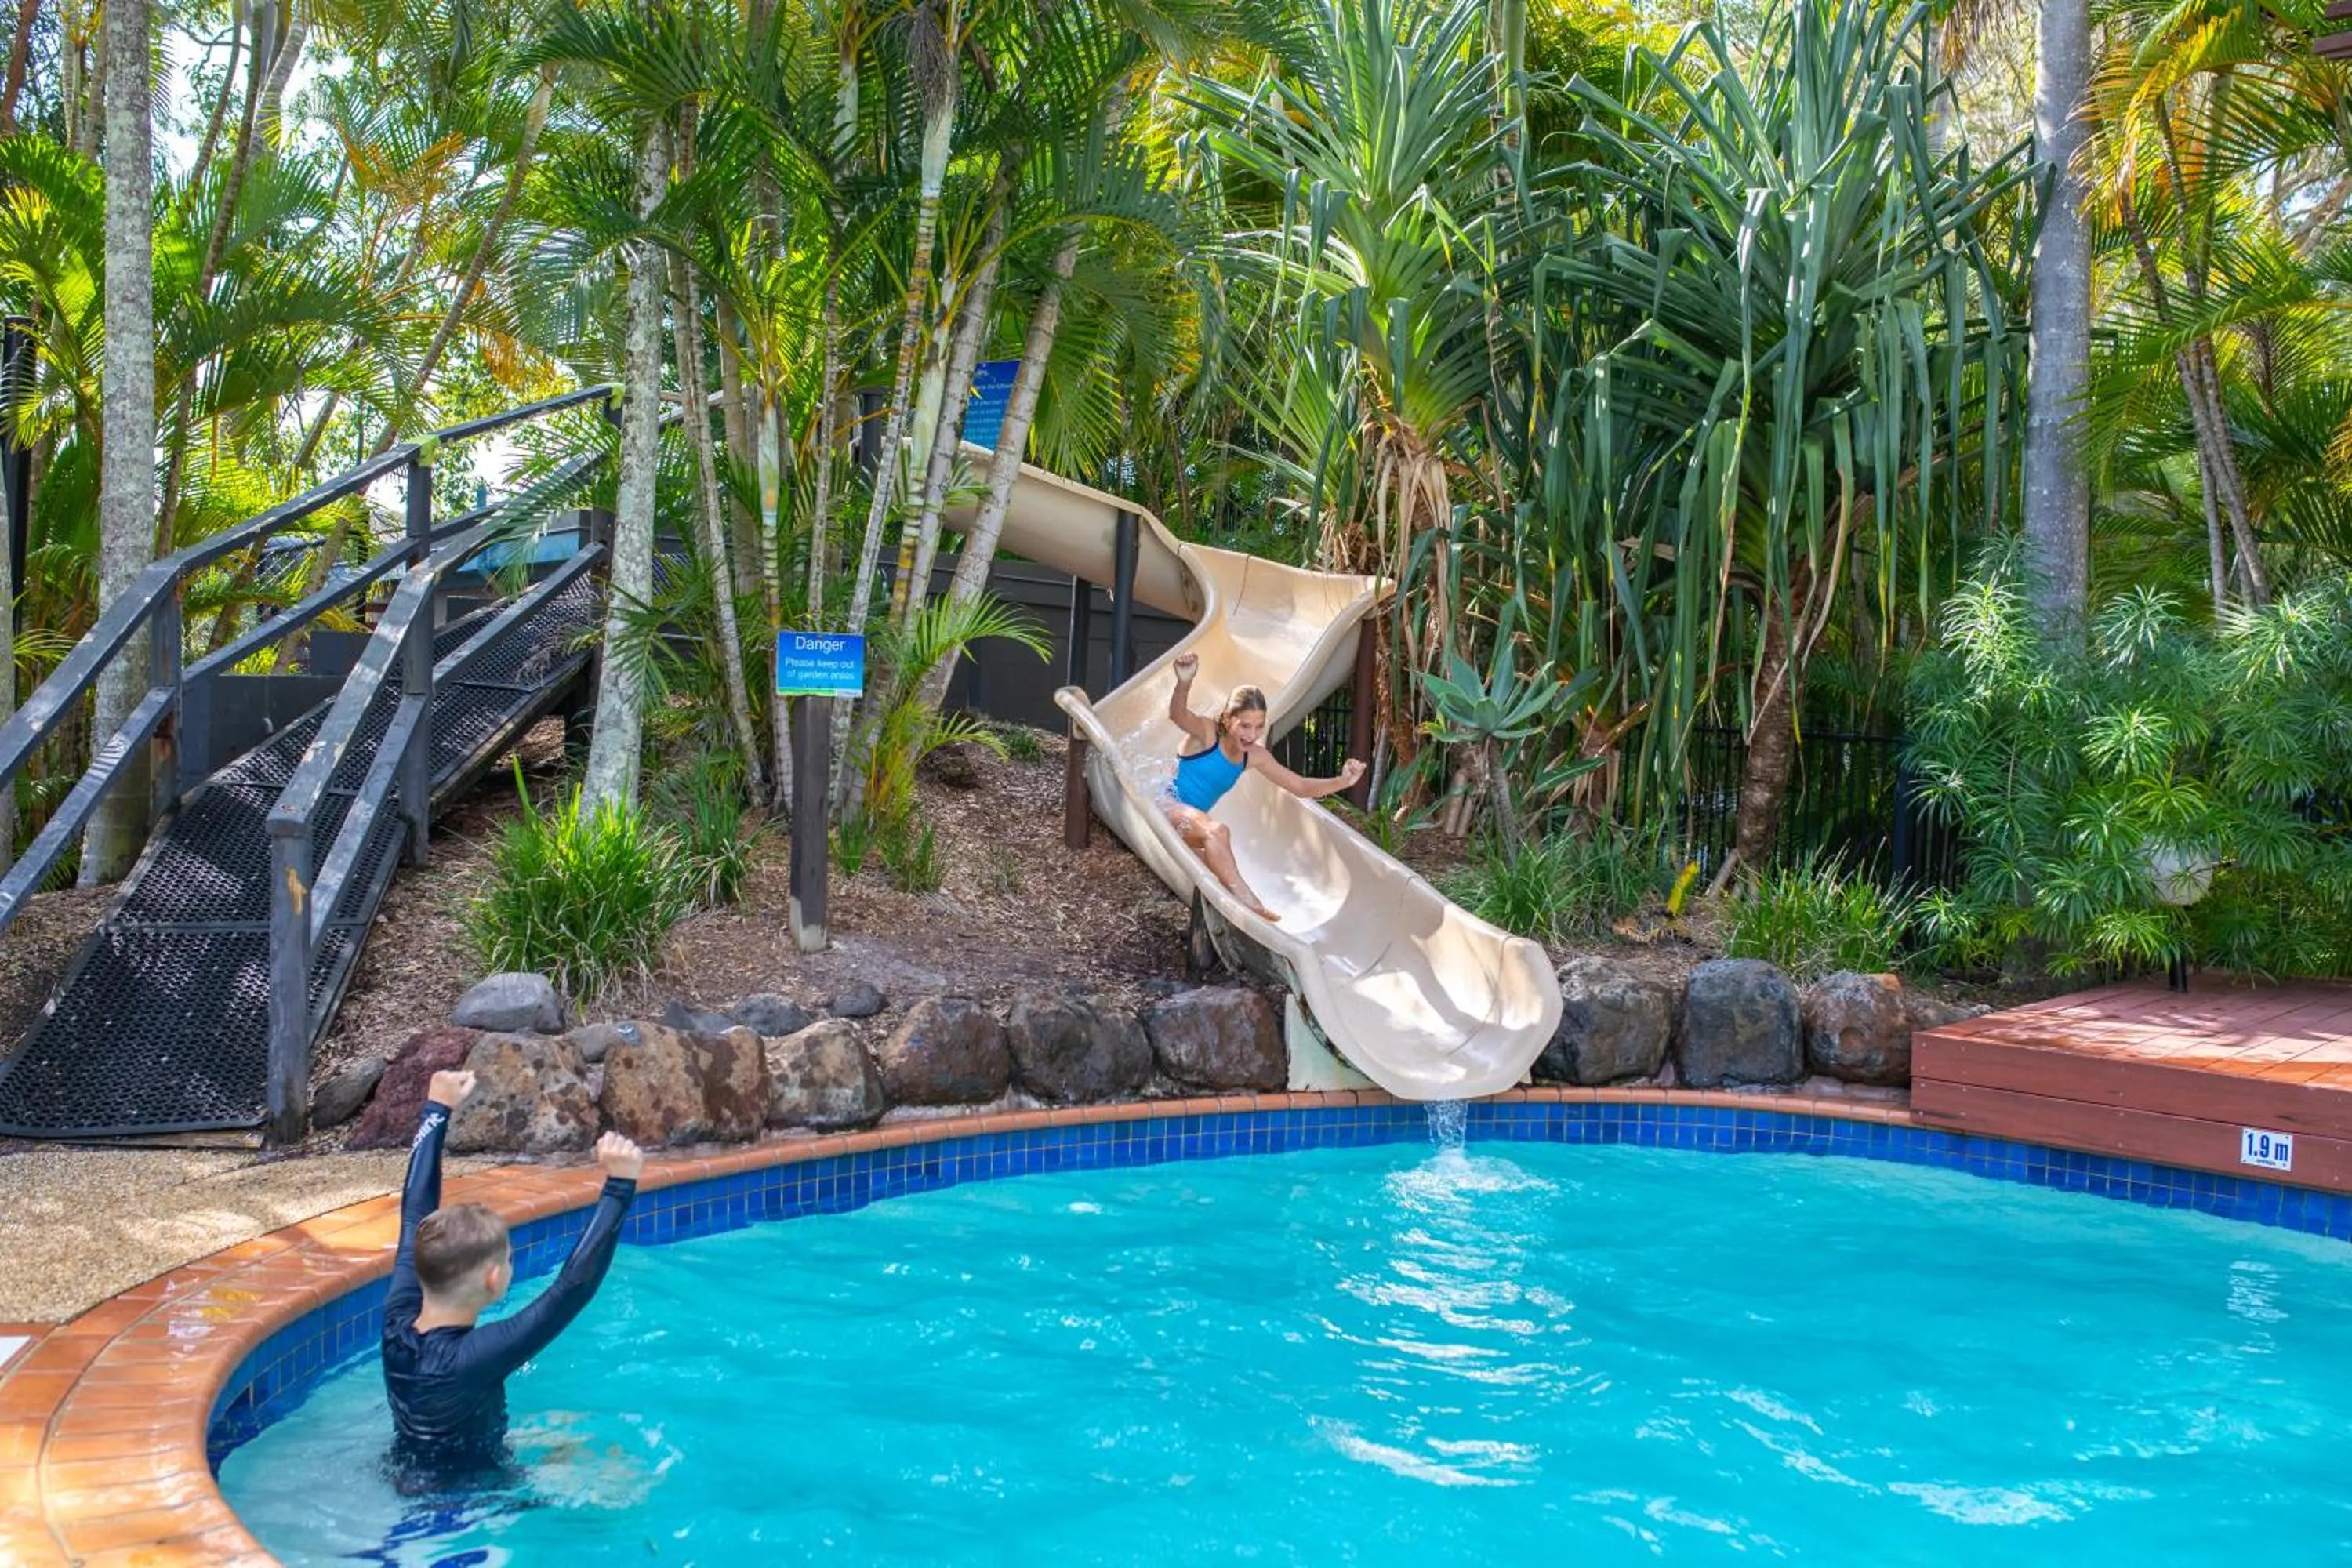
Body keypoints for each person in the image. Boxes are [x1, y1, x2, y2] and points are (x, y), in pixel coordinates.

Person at [382, 1069, 642, 1489]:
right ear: (493, 1278)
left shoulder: (397, 1322)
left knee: (566, 1431)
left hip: (404, 1475)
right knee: (621, 1475)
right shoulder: (473, 1357)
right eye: (508, 1258)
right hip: (470, 1505)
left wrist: (437, 1109)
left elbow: (415, 1215)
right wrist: (619, 1187)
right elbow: (569, 1291)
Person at [1161, 651, 1366, 921]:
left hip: (1191, 826)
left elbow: (1300, 786)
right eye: (1244, 726)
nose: (1252, 735)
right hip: (1166, 808)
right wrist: (1184, 683)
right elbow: (1177, 715)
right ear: (1227, 719)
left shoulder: (1254, 756)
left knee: (1217, 879)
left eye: (1258, 727)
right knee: (1218, 831)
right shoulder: (1207, 734)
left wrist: (1343, 781)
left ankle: (1245, 913)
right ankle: (1249, 900)